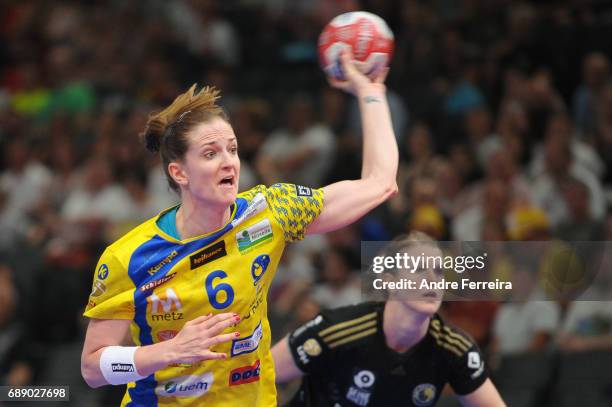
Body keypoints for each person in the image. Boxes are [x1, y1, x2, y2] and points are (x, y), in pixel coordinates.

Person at [80, 49, 398, 407]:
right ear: (179, 172)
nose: (228, 162)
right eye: (210, 153)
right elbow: (93, 368)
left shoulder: (270, 212)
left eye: (232, 149)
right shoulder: (130, 257)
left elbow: (379, 183)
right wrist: (169, 351)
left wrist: (372, 92)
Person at [272, 232, 506, 407]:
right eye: (419, 269)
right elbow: (256, 374)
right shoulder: (336, 330)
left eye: (438, 271)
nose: (432, 280)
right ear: (389, 281)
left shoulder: (455, 349)